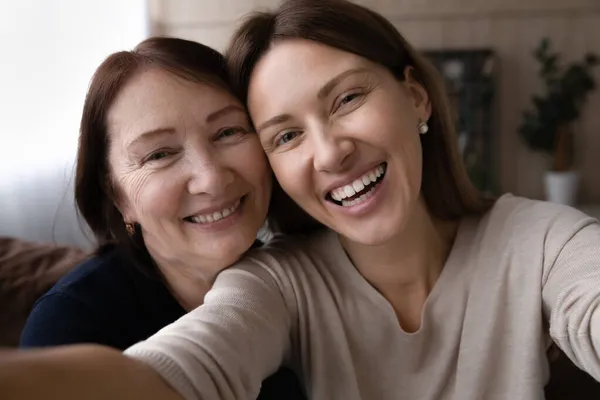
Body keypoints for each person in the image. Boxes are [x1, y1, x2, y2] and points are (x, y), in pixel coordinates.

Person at [1, 1, 600, 399]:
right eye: (286, 134)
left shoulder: (543, 240)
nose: (330, 153)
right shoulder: (277, 284)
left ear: (416, 97)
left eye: (346, 99)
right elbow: (175, 369)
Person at [16, 36, 304, 399]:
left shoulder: (304, 276)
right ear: (117, 196)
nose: (211, 178)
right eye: (158, 155)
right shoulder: (68, 326)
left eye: (228, 132)